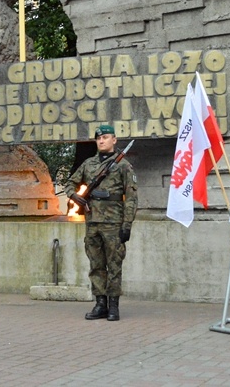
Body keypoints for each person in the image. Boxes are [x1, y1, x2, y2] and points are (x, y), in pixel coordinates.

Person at [65, 124, 138, 321]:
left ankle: (113, 305)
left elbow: (131, 198)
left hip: (114, 223)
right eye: (98, 138)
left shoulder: (123, 165)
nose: (101, 140)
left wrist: (127, 224)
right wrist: (75, 197)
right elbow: (69, 183)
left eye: (105, 137)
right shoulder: (88, 164)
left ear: (114, 140)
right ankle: (100, 304)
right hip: (92, 223)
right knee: (96, 265)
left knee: (114, 265)